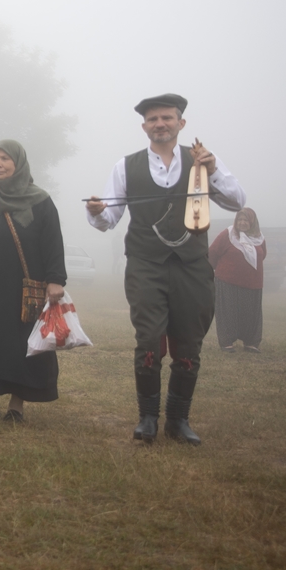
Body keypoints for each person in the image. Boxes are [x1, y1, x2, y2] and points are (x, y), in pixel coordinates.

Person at [87, 94, 245, 445]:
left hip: (192, 264)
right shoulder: (125, 166)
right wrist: (97, 211)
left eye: (167, 118)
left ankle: (178, 420)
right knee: (148, 338)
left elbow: (237, 201)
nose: (160, 124)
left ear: (181, 123)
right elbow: (109, 218)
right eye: (153, 119)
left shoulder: (202, 160)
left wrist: (214, 167)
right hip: (146, 264)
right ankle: (147, 419)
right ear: (144, 126)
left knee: (189, 340)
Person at [0, 140, 66, 424]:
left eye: (5, 158)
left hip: (22, 289)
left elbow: (53, 243)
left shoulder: (40, 201)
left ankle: (17, 405)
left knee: (21, 342)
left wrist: (55, 280)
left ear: (18, 163)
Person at [208, 208, 265, 353]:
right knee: (228, 312)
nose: (242, 223)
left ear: (252, 222)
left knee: (251, 313)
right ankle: (227, 343)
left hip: (253, 283)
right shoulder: (227, 235)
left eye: (246, 220)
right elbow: (213, 252)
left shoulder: (259, 238)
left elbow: (262, 255)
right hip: (228, 281)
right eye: (239, 220)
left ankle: (251, 343)